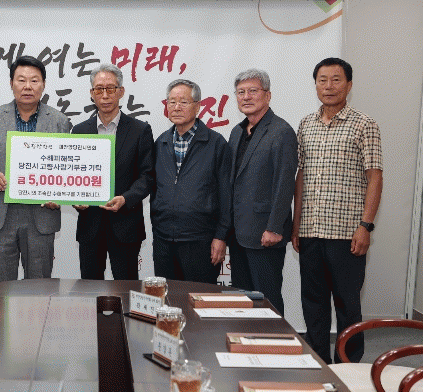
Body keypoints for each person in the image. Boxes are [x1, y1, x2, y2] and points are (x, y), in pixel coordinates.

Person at [292, 57, 383, 364]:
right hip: (311, 230)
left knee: (347, 306)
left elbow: (375, 176)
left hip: (347, 234)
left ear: (349, 85)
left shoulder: (364, 124)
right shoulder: (306, 124)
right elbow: (301, 175)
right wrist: (296, 225)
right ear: (316, 84)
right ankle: (318, 362)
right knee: (313, 305)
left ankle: (348, 367)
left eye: (336, 80)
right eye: (322, 80)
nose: (328, 86)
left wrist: (365, 226)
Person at [0, 56, 71, 282]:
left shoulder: (59, 121)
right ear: (11, 83)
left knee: (39, 287)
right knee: (1, 287)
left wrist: (59, 195)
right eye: (21, 80)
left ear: (43, 84)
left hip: (41, 216)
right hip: (2, 215)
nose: (28, 86)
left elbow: (65, 168)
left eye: (34, 80)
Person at [72, 63, 153, 280]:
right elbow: (73, 175)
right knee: (89, 288)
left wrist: (126, 199)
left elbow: (147, 176)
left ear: (121, 91)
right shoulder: (79, 131)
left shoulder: (140, 130)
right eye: (99, 89)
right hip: (90, 226)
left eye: (110, 88)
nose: (105, 95)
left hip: (126, 225)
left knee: (126, 288)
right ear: (92, 94)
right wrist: (75, 199)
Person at [227, 69, 297, 314]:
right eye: (241, 92)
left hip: (265, 234)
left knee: (267, 300)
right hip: (239, 233)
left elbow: (285, 183)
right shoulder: (237, 131)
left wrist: (275, 227)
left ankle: (275, 338)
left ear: (267, 95)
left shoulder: (281, 131)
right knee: (243, 300)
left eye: (252, 91)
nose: (246, 97)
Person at [150, 79, 231, 284]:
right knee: (167, 298)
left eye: (183, 102)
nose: (176, 107)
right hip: (164, 240)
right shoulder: (161, 142)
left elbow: (226, 194)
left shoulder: (216, 143)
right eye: (172, 102)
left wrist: (221, 236)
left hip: (200, 241)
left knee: (199, 298)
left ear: (197, 106)